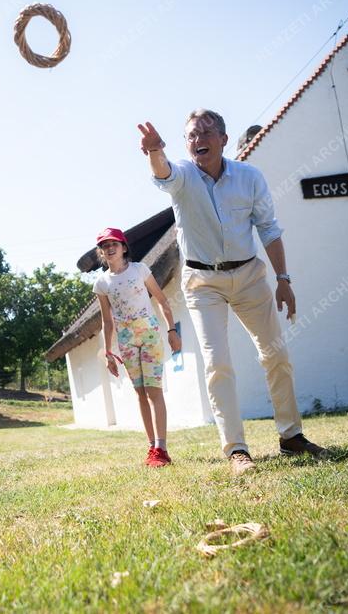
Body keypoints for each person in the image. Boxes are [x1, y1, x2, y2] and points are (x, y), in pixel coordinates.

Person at [139, 110, 328, 475]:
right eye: (192, 134)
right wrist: (154, 151)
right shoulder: (182, 176)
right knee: (218, 363)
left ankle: (291, 436)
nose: (199, 139)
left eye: (207, 132)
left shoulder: (249, 177)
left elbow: (269, 229)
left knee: (276, 354)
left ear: (224, 140)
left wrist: (284, 279)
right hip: (202, 282)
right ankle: (237, 450)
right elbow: (163, 174)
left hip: (248, 275)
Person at [92, 227, 181, 467]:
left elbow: (162, 300)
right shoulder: (101, 283)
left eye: (114, 244)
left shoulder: (139, 270)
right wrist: (108, 353)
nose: (110, 248)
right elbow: (106, 321)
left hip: (150, 334)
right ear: (101, 252)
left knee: (154, 390)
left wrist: (172, 331)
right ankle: (152, 448)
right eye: (104, 246)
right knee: (140, 393)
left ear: (123, 247)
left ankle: (162, 449)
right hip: (126, 340)